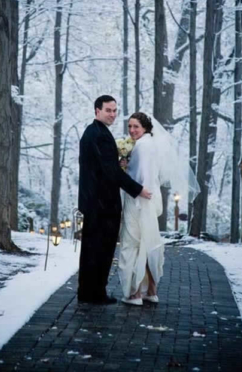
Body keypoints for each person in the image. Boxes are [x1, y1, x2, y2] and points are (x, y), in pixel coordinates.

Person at [119, 112, 200, 306]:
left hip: (138, 200)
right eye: (129, 126)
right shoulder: (152, 144)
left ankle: (135, 293)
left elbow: (141, 175)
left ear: (146, 127)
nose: (131, 130)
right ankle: (151, 290)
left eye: (136, 126)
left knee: (132, 245)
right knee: (149, 243)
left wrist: (125, 171)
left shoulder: (141, 146)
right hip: (150, 198)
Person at [77, 96, 152, 305]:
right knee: (100, 249)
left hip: (96, 202)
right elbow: (110, 172)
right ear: (97, 111)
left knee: (94, 249)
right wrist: (138, 190)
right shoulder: (97, 135)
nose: (112, 114)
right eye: (108, 110)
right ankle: (94, 294)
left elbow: (105, 167)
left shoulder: (97, 133)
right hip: (101, 204)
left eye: (115, 110)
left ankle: (88, 292)